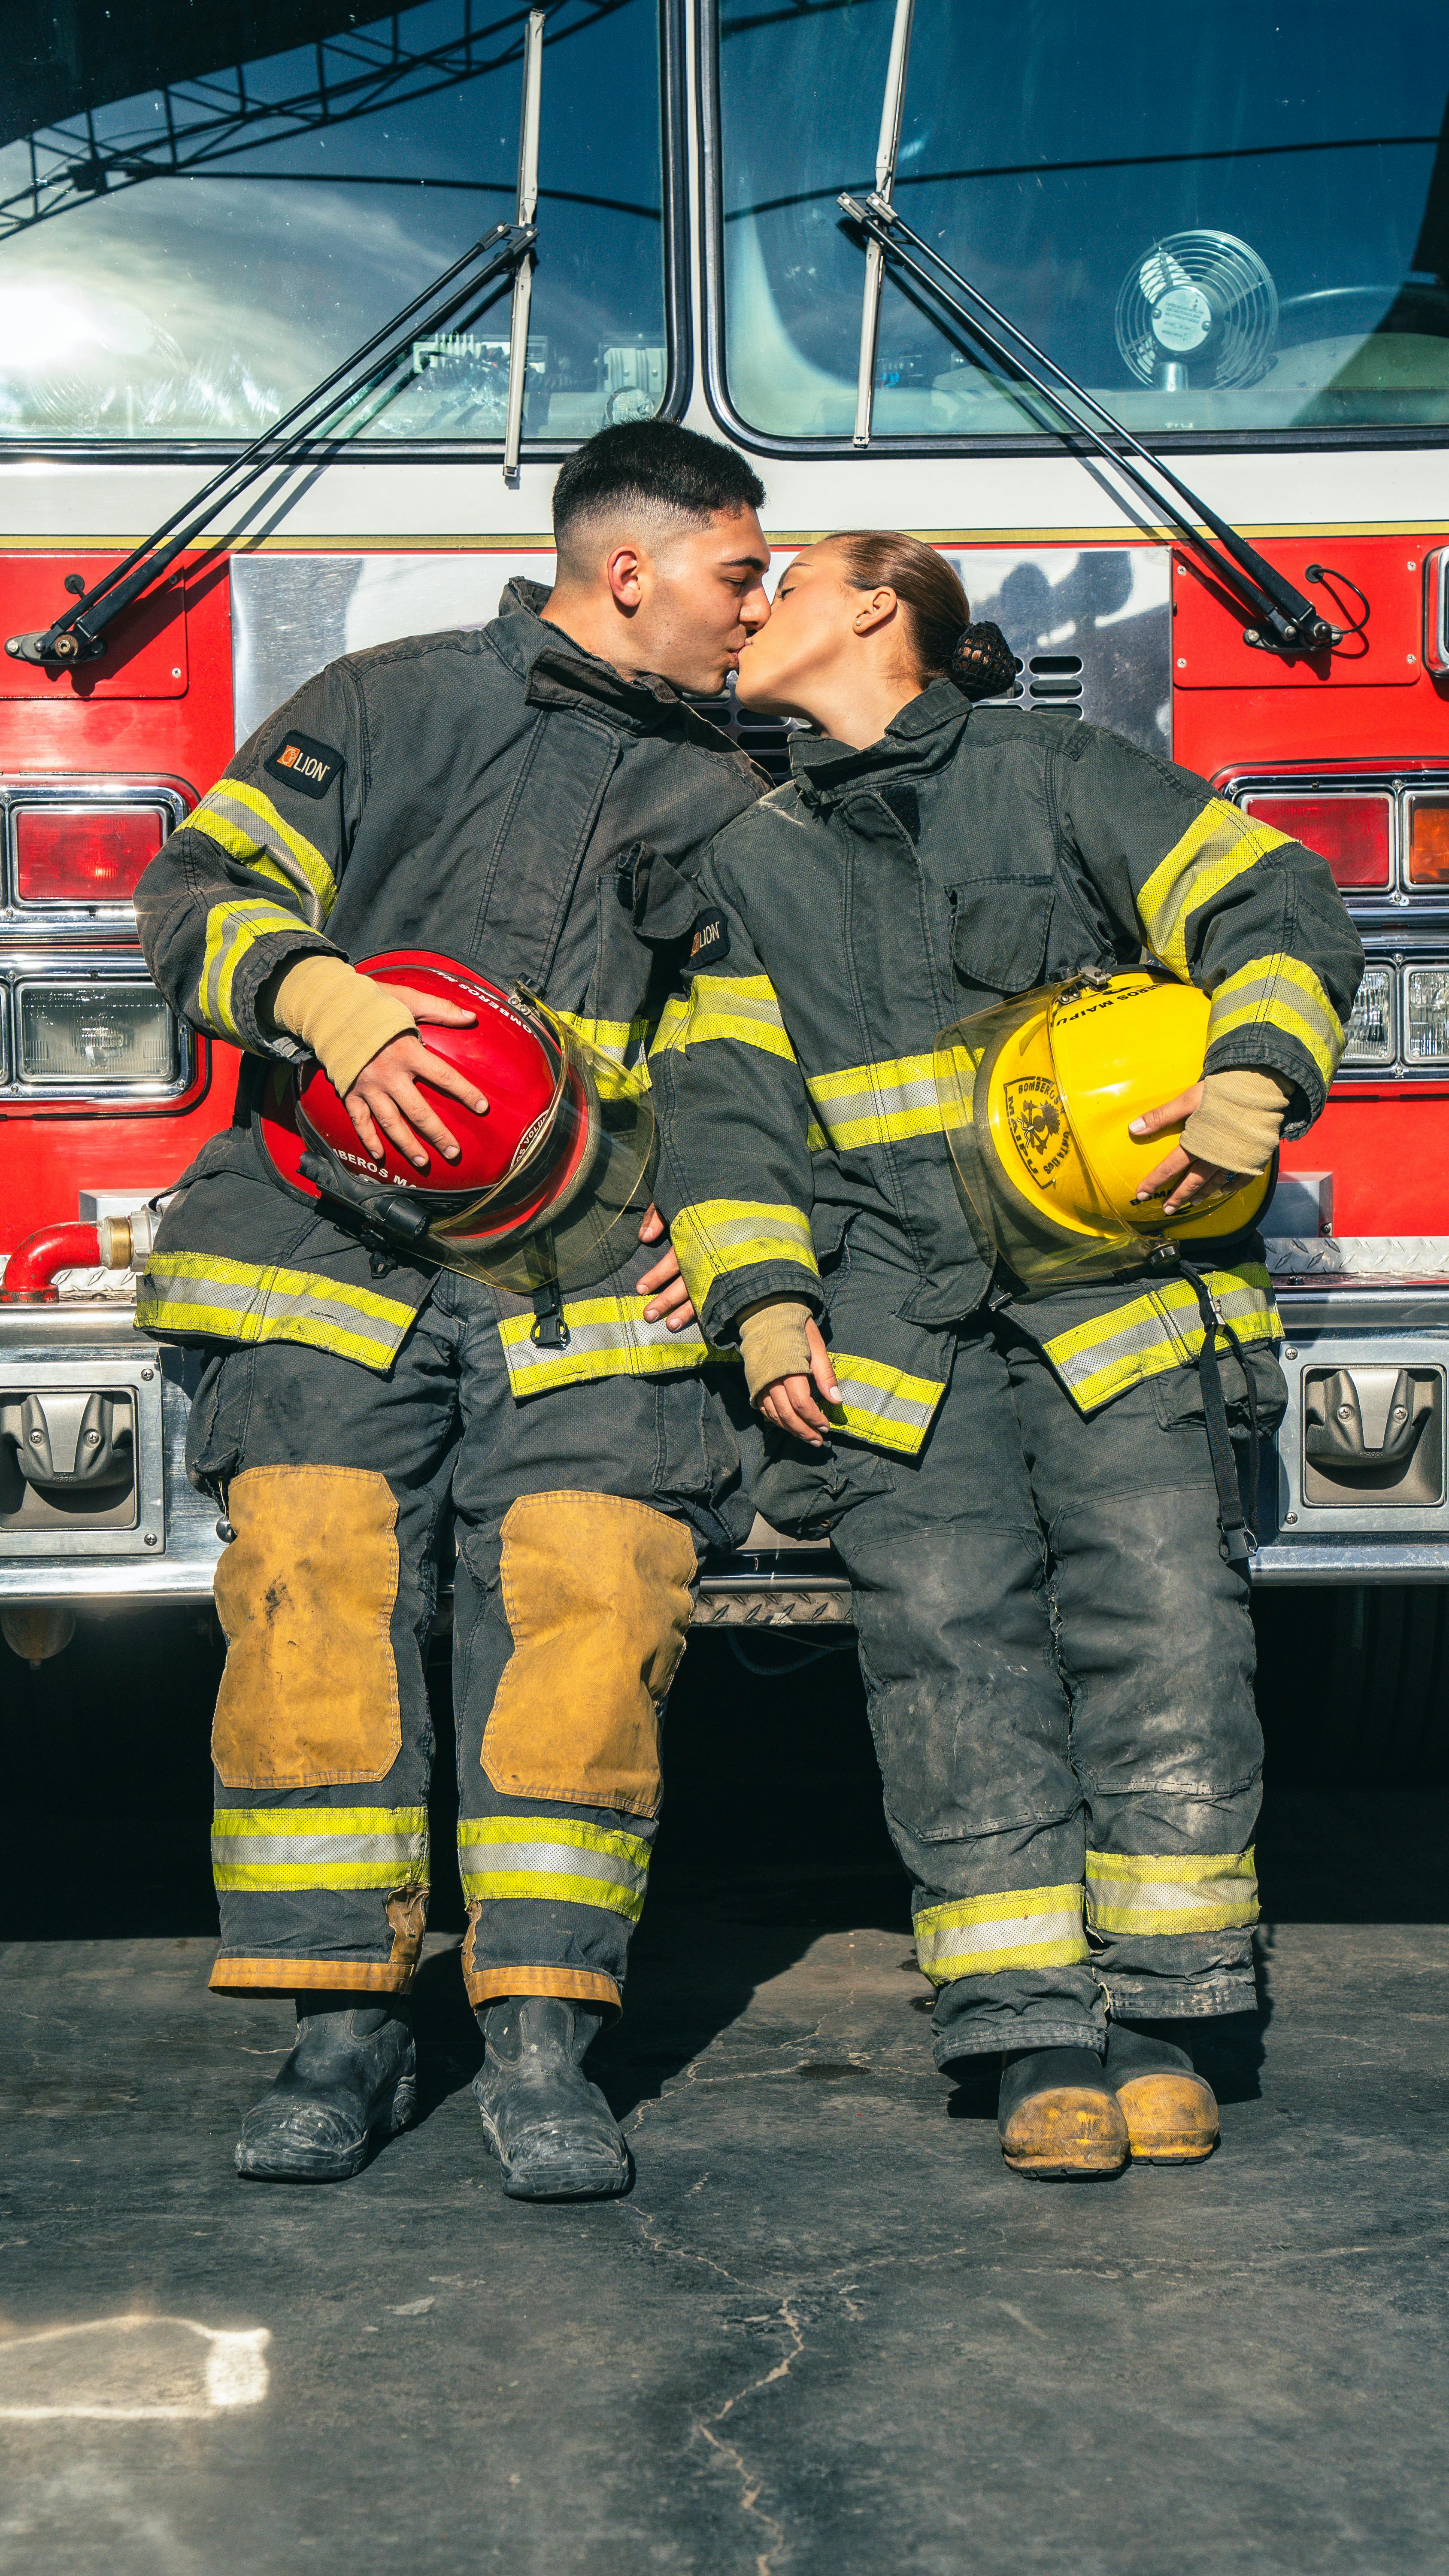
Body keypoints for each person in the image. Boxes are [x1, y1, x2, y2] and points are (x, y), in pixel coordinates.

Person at [648, 531, 1364, 2180]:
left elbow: (1276, 899)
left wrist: (1256, 1079)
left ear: (879, 610)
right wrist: (762, 1304)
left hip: (1119, 1305)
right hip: (900, 1329)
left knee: (1166, 1629)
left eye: (792, 584)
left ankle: (1170, 2016)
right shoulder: (755, 862)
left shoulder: (1060, 776)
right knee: (950, 1659)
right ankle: (1026, 2027)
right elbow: (729, 1112)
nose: (755, 611)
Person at [134, 422, 773, 2195]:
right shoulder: (389, 704)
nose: (760, 605)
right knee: (316, 1580)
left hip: (590, 1271)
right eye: (739, 571)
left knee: (593, 1587)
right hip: (325, 1247)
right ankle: (341, 2023)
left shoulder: (734, 797)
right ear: (629, 567)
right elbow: (191, 892)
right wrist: (322, 1000)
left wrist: (721, 1225)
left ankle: (543, 2030)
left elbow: (757, 1056)